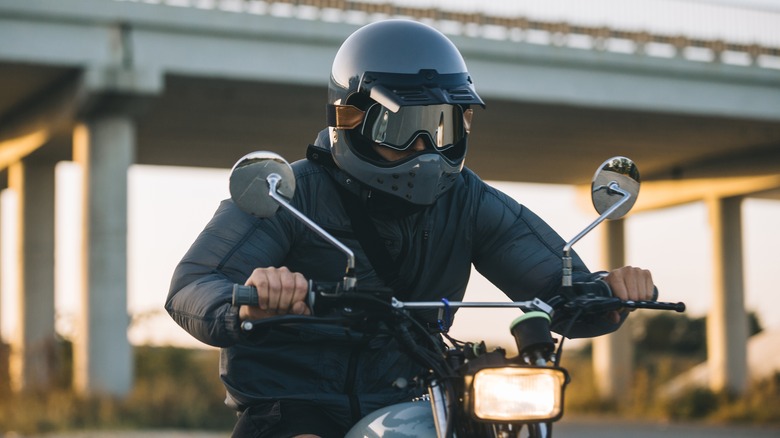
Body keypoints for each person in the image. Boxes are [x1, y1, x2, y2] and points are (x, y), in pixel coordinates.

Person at [166, 19, 654, 438]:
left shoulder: (465, 198)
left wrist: (606, 293)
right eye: (401, 128)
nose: (426, 150)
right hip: (294, 400)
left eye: (441, 127)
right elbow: (191, 285)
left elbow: (554, 282)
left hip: (413, 399)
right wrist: (252, 299)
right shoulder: (293, 192)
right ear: (351, 119)